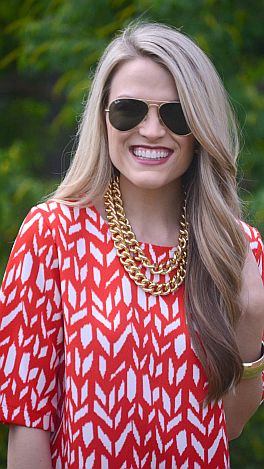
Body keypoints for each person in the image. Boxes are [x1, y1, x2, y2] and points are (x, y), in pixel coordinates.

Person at [0, 21, 263, 469]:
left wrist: (253, 314)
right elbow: (28, 427)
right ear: (103, 118)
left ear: (200, 128)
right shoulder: (52, 234)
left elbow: (227, 426)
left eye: (175, 114)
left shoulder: (239, 247)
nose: (153, 130)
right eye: (129, 110)